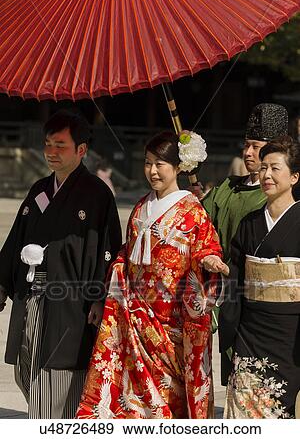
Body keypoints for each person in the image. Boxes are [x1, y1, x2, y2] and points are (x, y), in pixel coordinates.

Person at [76, 130, 228, 419]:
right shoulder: (140, 206)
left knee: (171, 400)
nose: (153, 171)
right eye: (147, 163)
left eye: (160, 164)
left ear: (178, 167)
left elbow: (205, 245)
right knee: (132, 397)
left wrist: (210, 260)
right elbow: (128, 251)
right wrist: (119, 268)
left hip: (173, 320)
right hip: (136, 315)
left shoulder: (192, 210)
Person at [0, 110, 122, 419]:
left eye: (60, 145)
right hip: (32, 297)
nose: (51, 152)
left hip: (72, 303)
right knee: (27, 368)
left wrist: (99, 296)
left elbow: (108, 250)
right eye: (48, 144)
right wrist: (1, 284)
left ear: (81, 150)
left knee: (57, 376)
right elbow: (16, 239)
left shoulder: (97, 195)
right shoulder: (39, 189)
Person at [202, 103, 289, 385]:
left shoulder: (283, 195)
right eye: (246, 145)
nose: (247, 153)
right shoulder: (228, 187)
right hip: (230, 293)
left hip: (269, 307)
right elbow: (201, 226)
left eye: (255, 146)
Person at [223, 136, 300, 419]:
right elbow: (235, 280)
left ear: (294, 176)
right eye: (263, 167)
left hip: (291, 340)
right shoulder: (249, 223)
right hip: (250, 335)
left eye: (275, 168)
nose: (266, 175)